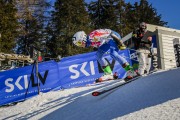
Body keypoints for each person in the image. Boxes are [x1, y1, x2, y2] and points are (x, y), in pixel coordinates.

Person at [72, 29, 137, 81]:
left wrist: (119, 42)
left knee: (113, 54)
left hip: (114, 37)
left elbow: (110, 33)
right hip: (106, 42)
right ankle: (109, 74)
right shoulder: (90, 41)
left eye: (79, 43)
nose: (80, 45)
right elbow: (100, 42)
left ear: (83, 38)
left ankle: (130, 70)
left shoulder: (94, 35)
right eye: (77, 45)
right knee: (98, 55)